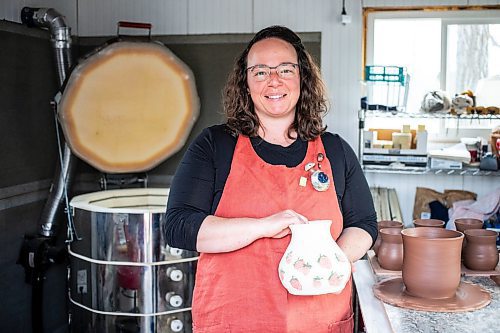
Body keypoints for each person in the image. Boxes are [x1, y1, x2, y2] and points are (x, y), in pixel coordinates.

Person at [165, 25, 377, 333]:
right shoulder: (215, 146)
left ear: (302, 79)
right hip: (235, 322)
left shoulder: (335, 150)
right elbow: (178, 226)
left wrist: (333, 262)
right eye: (260, 71)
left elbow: (365, 223)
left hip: (322, 321)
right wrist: (264, 226)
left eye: (285, 69)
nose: (273, 80)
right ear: (246, 83)